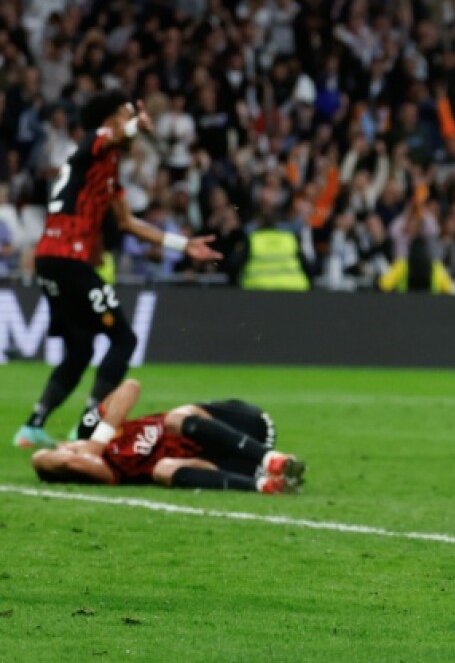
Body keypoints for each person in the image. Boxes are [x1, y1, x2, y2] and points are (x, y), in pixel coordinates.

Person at [14, 90, 222, 449]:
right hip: (67, 258)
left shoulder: (106, 170)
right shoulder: (94, 142)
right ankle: (87, 430)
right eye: (127, 112)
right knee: (124, 339)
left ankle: (33, 427)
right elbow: (114, 135)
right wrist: (134, 125)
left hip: (53, 259)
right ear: (111, 120)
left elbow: (127, 222)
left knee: (80, 348)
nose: (134, 122)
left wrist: (182, 244)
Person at [31, 379, 305, 493]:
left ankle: (271, 458)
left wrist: (94, 442)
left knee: (175, 418)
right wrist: (78, 455)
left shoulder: (97, 431)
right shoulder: (106, 469)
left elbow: (131, 386)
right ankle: (267, 484)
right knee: (163, 470)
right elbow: (47, 460)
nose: (65, 451)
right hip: (229, 462)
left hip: (242, 425)